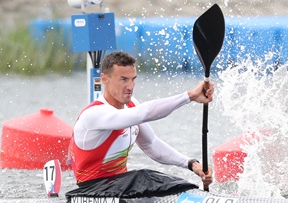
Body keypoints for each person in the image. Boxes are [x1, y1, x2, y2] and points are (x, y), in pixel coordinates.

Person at [70, 50, 213, 194]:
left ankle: (196, 195)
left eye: (133, 79)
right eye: (123, 79)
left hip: (120, 187)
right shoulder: (94, 114)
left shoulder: (132, 105)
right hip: (91, 190)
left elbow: (151, 144)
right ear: (104, 79)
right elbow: (145, 113)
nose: (130, 86)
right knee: (144, 177)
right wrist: (190, 96)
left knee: (156, 180)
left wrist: (192, 164)